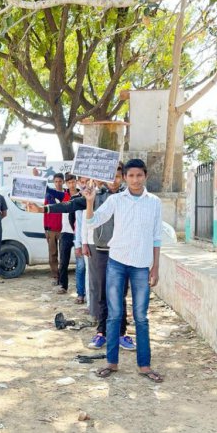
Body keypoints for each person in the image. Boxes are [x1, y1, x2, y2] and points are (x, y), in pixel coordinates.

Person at [28, 167, 131, 351]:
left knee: (120, 294)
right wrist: (44, 209)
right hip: (100, 250)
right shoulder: (96, 195)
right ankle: (102, 333)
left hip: (123, 251)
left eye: (117, 177)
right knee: (100, 292)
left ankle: (122, 333)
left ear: (123, 177)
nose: (114, 181)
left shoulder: (129, 196)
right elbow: (70, 205)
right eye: (110, 176)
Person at [84, 159, 162, 382]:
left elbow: (156, 237)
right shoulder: (116, 200)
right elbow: (93, 222)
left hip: (141, 266)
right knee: (114, 314)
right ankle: (111, 362)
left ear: (145, 176)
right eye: (131, 176)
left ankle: (144, 365)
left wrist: (155, 267)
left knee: (141, 316)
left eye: (139, 175)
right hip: (116, 263)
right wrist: (90, 202)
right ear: (124, 178)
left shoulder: (154, 202)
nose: (135, 180)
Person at [54, 173, 76, 294]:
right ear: (66, 184)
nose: (72, 184)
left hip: (79, 233)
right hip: (66, 233)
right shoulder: (64, 195)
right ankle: (63, 286)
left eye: (73, 182)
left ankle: (82, 291)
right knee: (63, 262)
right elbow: (51, 191)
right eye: (69, 182)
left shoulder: (81, 194)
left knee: (82, 265)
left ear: (76, 182)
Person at [44, 173, 67, 285]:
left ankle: (62, 277)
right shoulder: (49, 195)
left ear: (63, 182)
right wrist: (46, 229)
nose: (58, 183)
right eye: (56, 181)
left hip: (64, 229)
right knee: (53, 254)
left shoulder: (67, 194)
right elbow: (45, 213)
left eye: (60, 181)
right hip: (52, 230)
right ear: (54, 182)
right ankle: (55, 276)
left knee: (63, 255)